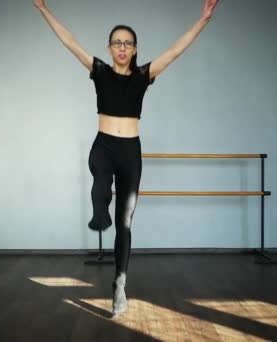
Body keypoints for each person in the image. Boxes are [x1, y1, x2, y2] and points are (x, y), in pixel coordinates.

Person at [33, 0, 219, 317]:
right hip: (104, 146)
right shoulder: (100, 71)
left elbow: (175, 51)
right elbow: (69, 41)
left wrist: (202, 20)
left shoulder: (143, 76)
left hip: (130, 152)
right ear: (109, 48)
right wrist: (42, 7)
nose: (122, 47)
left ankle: (120, 283)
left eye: (128, 43)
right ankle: (98, 207)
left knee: (125, 223)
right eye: (117, 42)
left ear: (134, 49)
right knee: (99, 176)